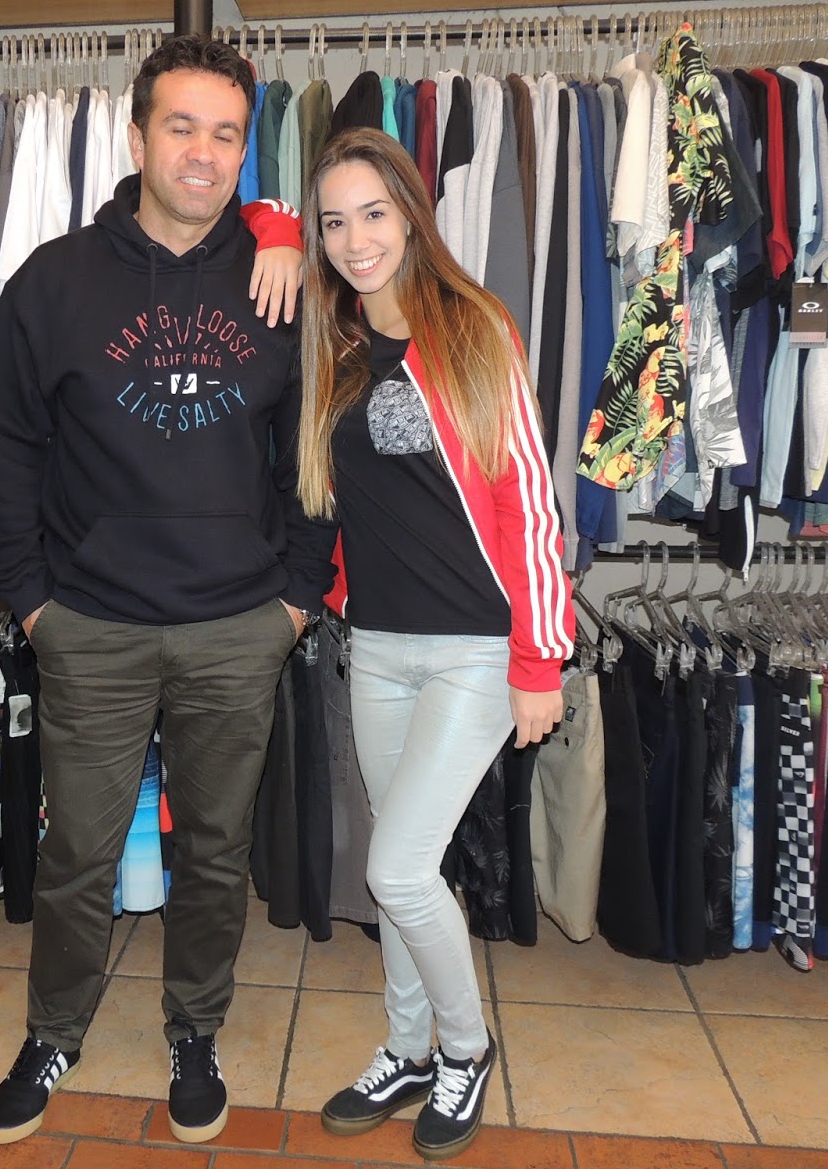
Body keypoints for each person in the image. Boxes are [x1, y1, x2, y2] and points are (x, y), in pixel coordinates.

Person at [0, 35, 337, 1147]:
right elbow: (4, 452)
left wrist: (296, 599)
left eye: (226, 134)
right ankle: (53, 1032)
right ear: (137, 138)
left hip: (238, 625)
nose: (202, 153)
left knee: (214, 852)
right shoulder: (52, 283)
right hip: (91, 624)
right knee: (77, 852)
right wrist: (29, 598)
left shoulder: (282, 282)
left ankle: (195, 1030)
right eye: (181, 127)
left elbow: (313, 455)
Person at [295, 127, 574, 1162]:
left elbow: (528, 502)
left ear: (412, 216)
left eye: (373, 213)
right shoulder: (335, 341)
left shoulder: (473, 326)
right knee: (400, 870)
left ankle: (465, 1049)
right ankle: (407, 1047)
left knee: (400, 871)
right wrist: (277, 228)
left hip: (473, 652)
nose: (356, 239)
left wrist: (538, 660)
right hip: (376, 647)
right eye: (334, 222)